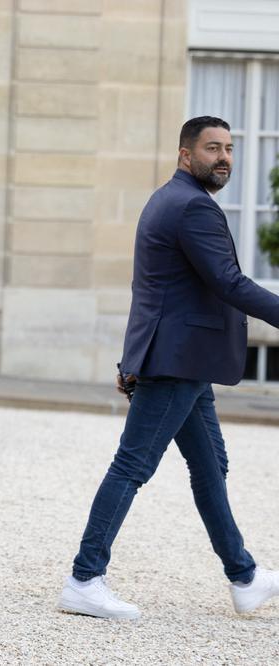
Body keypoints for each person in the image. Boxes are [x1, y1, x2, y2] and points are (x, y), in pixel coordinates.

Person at [58, 116, 279, 620]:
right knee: (131, 467)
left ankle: (243, 576)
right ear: (186, 155)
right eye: (211, 149)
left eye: (228, 148)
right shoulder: (191, 208)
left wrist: (131, 357)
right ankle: (84, 578)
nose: (223, 157)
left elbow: (154, 290)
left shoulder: (169, 200)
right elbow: (228, 282)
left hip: (183, 359)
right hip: (177, 361)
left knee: (209, 467)